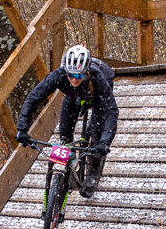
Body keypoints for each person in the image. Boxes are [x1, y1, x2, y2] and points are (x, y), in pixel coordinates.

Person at [15, 44, 118, 197]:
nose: (74, 79)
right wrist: (22, 128)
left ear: (86, 73)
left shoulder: (97, 77)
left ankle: (92, 176)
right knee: (65, 134)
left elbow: (111, 110)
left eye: (78, 76)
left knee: (96, 133)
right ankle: (70, 170)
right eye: (70, 75)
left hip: (96, 96)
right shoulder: (60, 75)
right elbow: (33, 98)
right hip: (73, 96)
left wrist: (105, 141)